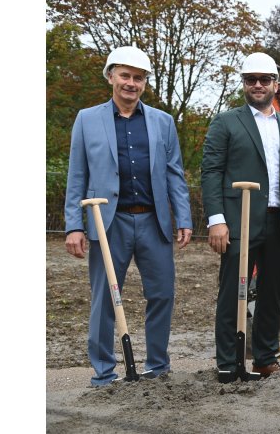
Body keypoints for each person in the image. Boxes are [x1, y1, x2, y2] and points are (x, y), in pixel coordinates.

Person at [64, 46, 193, 387]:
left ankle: (157, 366)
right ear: (110, 76)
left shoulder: (163, 122)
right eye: (124, 75)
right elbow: (76, 175)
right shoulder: (87, 120)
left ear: (145, 83)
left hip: (153, 222)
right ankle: (104, 373)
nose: (130, 83)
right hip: (109, 224)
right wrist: (74, 226)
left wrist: (184, 217)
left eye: (138, 78)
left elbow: (174, 173)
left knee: (163, 293)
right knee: (105, 297)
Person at [201, 52, 280, 381]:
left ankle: (265, 357)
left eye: (264, 79)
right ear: (244, 83)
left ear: (275, 85)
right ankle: (227, 360)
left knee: (272, 293)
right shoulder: (226, 122)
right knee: (232, 292)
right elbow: (211, 172)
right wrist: (216, 219)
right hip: (239, 220)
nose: (257, 85)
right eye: (251, 79)